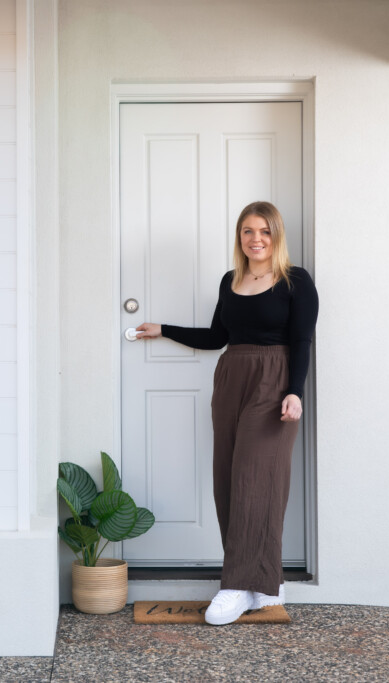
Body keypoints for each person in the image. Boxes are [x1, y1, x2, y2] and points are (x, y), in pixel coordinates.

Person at [135, 200, 318, 626]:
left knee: (258, 481)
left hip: (273, 381)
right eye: (248, 231)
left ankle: (235, 585)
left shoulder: (296, 280)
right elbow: (217, 337)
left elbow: (303, 342)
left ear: (277, 236)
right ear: (240, 237)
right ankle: (262, 585)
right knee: (229, 482)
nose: (256, 239)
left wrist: (295, 392)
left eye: (265, 232)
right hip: (231, 378)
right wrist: (165, 329)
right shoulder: (230, 281)